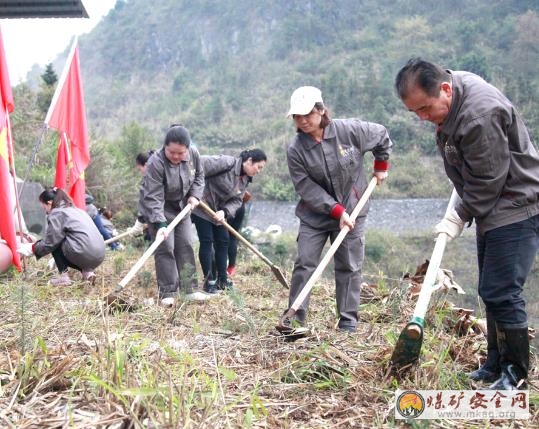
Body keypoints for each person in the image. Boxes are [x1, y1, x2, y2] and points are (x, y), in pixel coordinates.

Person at [395, 58, 539, 390]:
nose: (423, 118)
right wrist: (463, 203)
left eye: (426, 108)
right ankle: (494, 365)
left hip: (516, 206)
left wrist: (459, 214)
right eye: (414, 112)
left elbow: (488, 179)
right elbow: (476, 172)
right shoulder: (454, 90)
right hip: (493, 208)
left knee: (502, 291)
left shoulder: (478, 115)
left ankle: (515, 374)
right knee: (491, 290)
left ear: (445, 89)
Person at [283, 86, 392, 333]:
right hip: (315, 215)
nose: (302, 121)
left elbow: (382, 135)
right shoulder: (296, 149)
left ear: (321, 110)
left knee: (349, 264)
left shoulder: (349, 130)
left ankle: (347, 321)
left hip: (354, 208)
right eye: (296, 117)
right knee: (305, 262)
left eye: (307, 114)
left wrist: (381, 165)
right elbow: (305, 187)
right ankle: (295, 318)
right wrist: (335, 211)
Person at [138, 125, 211, 305]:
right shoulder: (155, 163)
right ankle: (168, 292)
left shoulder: (194, 154)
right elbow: (153, 196)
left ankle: (189, 289)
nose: (177, 156)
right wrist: (160, 224)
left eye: (181, 153)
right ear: (165, 147)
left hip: (182, 208)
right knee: (166, 247)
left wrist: (195, 195)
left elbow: (200, 176)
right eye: (172, 152)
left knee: (186, 243)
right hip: (159, 208)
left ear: (187, 148)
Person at [191, 149, 267, 293]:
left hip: (219, 212)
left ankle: (223, 280)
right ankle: (210, 281)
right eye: (259, 167)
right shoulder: (226, 163)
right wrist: (194, 191)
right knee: (207, 240)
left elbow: (237, 200)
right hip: (202, 205)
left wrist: (224, 212)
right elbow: (199, 164)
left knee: (223, 241)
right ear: (249, 161)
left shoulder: (245, 180)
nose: (259, 171)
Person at [16, 187, 105, 286]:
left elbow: (50, 242)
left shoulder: (57, 213)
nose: (45, 211)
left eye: (44, 207)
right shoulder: (77, 210)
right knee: (73, 242)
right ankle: (87, 272)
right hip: (99, 256)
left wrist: (32, 248)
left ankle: (64, 277)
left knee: (56, 241)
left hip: (83, 253)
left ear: (49, 202)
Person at [129, 150, 155, 241]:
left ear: (146, 165)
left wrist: (139, 223)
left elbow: (146, 201)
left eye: (140, 169)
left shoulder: (150, 180)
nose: (141, 172)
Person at [226, 190, 251, 276]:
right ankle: (231, 267)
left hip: (229, 206)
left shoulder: (229, 177)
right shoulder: (244, 178)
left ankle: (222, 268)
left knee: (220, 236)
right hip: (240, 204)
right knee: (232, 236)